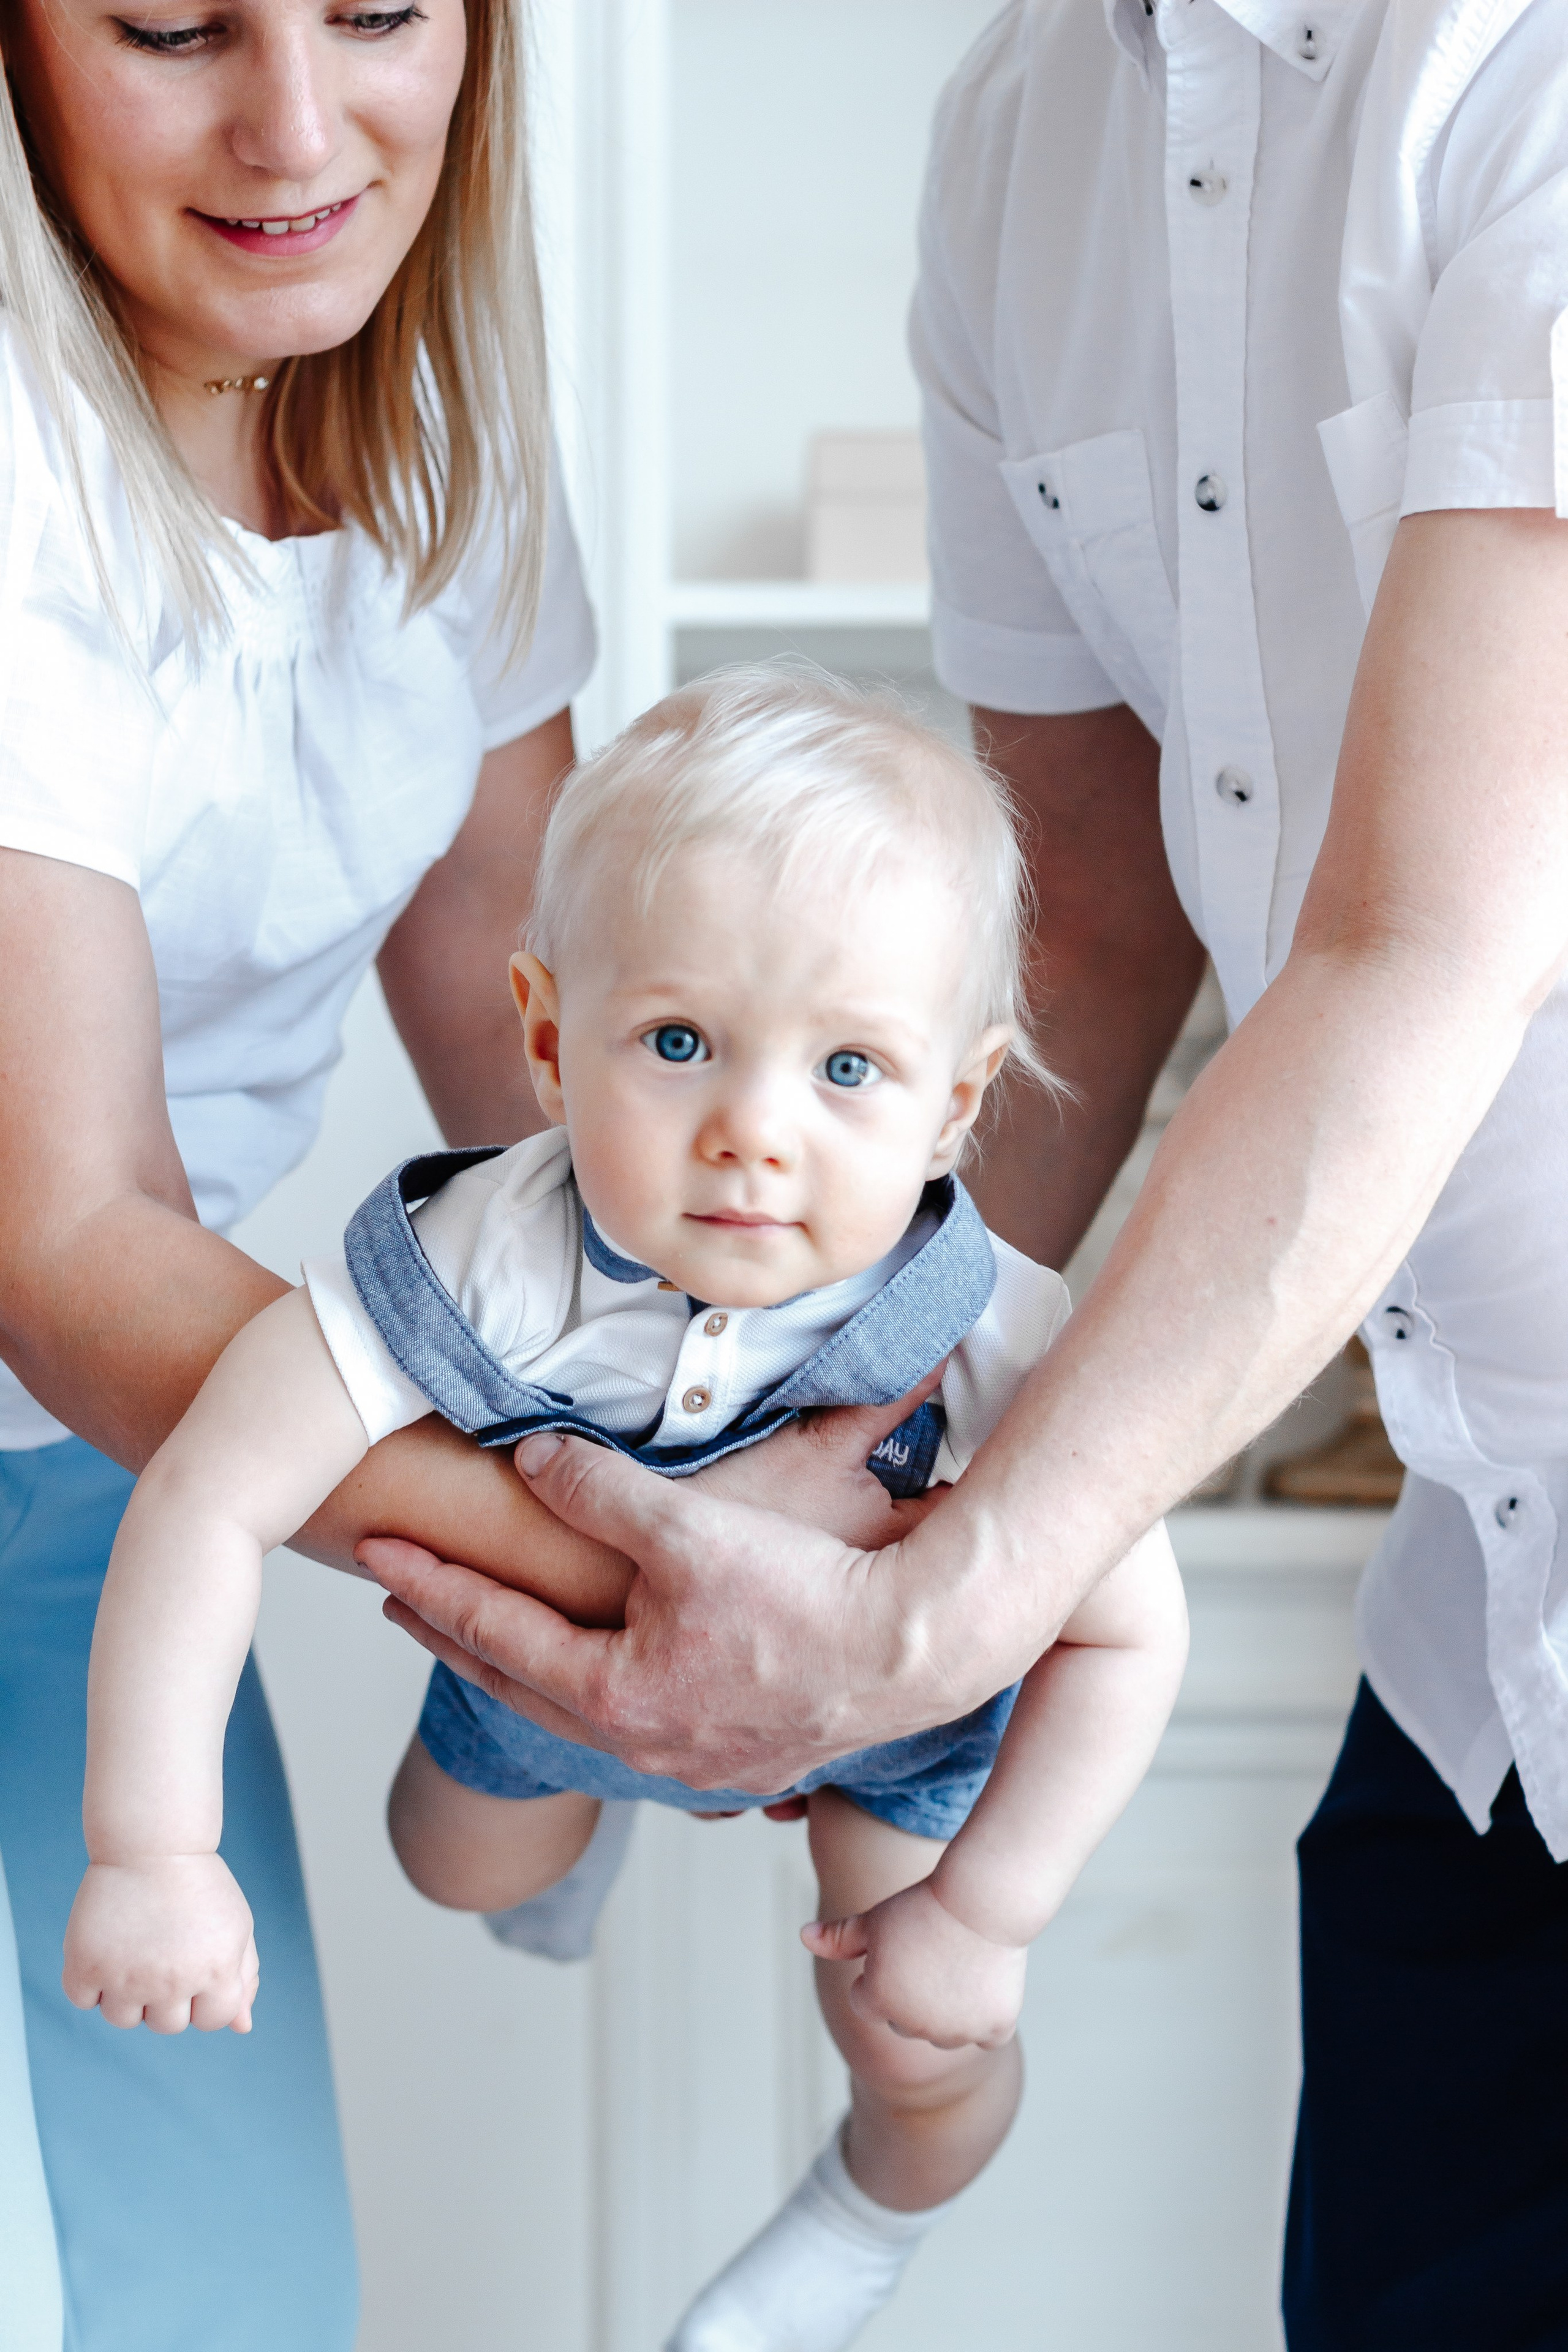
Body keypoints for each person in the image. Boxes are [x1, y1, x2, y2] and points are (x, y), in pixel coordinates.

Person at [360, 2, 1568, 2342]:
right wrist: (784, 1427)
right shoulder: (1028, 134)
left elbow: (1430, 945)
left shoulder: (1515, 82)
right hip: (1483, 1662)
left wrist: (930, 1612)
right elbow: (1090, 920)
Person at [62, 669, 1187, 2352]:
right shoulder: (485, 1251)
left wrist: (989, 1912)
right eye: (677, 1044)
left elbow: (1133, 1626)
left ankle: (878, 2201)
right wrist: (153, 1850)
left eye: (851, 1070)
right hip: (556, 1674)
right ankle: (589, 1828)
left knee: (923, 2027)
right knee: (446, 1864)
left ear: (959, 1102)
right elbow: (217, 1485)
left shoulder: (992, 1320)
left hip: (889, 1716)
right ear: (544, 1033)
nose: (751, 1135)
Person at [0, 0, 599, 2331]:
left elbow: (540, 1092)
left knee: (222, 2298)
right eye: (171, 27)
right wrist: (606, 1556)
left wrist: (760, 1410)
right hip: (113, 1383)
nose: (294, 122)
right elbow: (65, 1241)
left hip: (98, 1483)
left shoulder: (436, 442)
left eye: (374, 12)